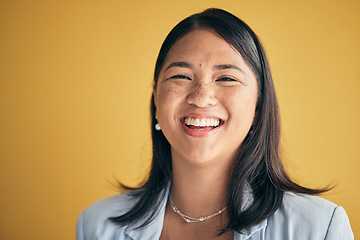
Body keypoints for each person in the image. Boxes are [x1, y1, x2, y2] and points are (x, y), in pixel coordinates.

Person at [76, 8, 354, 240]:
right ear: (156, 99)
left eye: (227, 78)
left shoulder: (320, 227)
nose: (201, 98)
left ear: (258, 105)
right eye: (181, 76)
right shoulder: (97, 225)